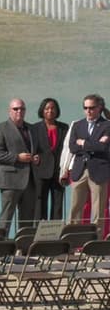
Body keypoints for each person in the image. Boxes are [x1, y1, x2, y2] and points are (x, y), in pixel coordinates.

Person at [0, 98, 44, 235]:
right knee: (6, 218)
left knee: (27, 220)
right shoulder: (0, 128)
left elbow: (36, 150)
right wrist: (17, 158)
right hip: (10, 181)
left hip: (29, 181)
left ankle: (24, 249)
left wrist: (36, 158)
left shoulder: (32, 128)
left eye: (22, 108)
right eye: (16, 109)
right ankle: (1, 249)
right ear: (10, 111)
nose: (19, 111)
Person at [68, 93, 110, 230]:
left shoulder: (107, 125)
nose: (88, 111)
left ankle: (95, 244)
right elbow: (73, 147)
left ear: (99, 108)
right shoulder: (77, 125)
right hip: (80, 170)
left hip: (99, 171)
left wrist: (84, 143)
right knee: (75, 209)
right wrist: (93, 145)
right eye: (85, 108)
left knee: (98, 211)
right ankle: (73, 243)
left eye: (91, 107)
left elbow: (103, 147)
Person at [36, 98, 69, 221]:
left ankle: (56, 234)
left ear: (57, 110)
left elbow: (68, 149)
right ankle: (41, 233)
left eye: (53, 108)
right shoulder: (35, 128)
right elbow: (32, 147)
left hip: (59, 172)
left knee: (58, 205)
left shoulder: (64, 128)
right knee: (41, 203)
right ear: (42, 110)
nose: (50, 111)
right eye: (47, 108)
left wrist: (66, 169)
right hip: (41, 172)